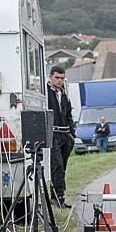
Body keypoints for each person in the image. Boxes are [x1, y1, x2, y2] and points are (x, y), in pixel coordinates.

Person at [46, 65, 75, 208]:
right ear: (50, 77)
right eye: (57, 78)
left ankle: (58, 197)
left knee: (62, 167)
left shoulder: (64, 94)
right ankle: (57, 198)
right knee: (56, 165)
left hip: (65, 134)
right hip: (53, 133)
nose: (59, 81)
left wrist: (72, 135)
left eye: (62, 78)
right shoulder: (46, 94)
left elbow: (68, 114)